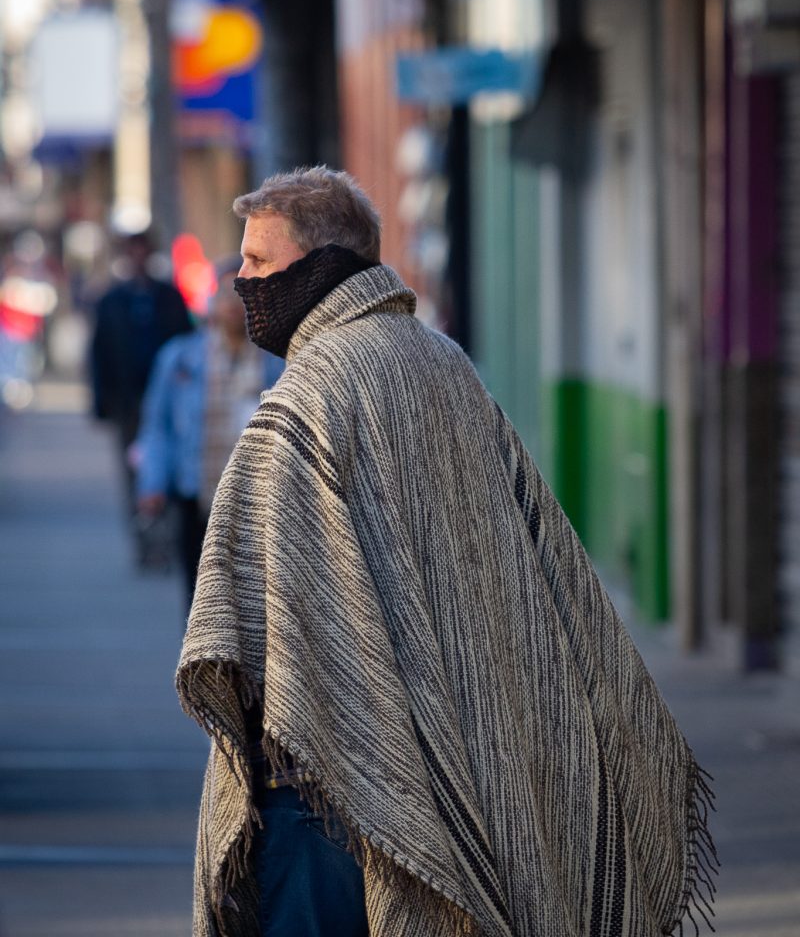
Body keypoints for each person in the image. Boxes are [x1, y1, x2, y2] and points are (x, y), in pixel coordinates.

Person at [177, 167, 717, 937]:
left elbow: (243, 612)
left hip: (323, 781)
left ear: (322, 264)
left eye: (260, 260)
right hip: (461, 750)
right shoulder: (445, 363)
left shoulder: (308, 398)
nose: (243, 280)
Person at [136, 259, 284, 612]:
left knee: (255, 605)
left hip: (258, 502)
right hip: (196, 494)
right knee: (200, 602)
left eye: (242, 295)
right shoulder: (180, 358)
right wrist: (153, 484)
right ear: (212, 300)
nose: (233, 304)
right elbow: (158, 427)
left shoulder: (276, 360)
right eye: (226, 294)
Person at [89, 230, 192, 548]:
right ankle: (144, 537)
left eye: (142, 250)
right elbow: (99, 353)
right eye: (132, 251)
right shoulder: (111, 301)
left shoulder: (169, 297)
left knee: (169, 463)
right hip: (128, 402)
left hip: (168, 399)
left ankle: (167, 535)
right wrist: (102, 402)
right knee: (134, 470)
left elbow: (185, 342)